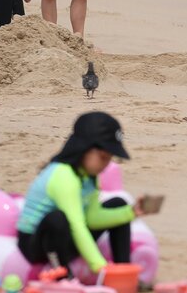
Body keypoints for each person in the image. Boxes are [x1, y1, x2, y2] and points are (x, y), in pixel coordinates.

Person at [16, 112, 155, 276]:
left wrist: (131, 212)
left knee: (119, 203)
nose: (106, 164)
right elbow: (77, 224)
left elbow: (91, 217)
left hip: (67, 239)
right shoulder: (64, 175)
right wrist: (101, 268)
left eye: (110, 158)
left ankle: (124, 271)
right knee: (58, 219)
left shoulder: (90, 177)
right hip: (38, 244)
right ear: (84, 148)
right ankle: (63, 276)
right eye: (103, 157)